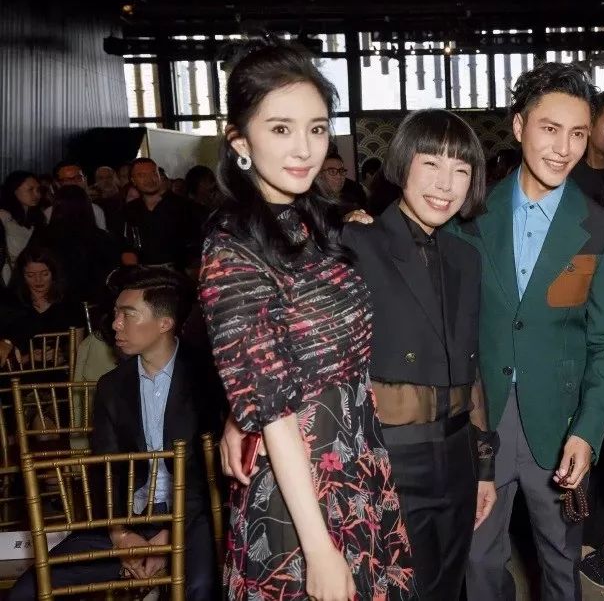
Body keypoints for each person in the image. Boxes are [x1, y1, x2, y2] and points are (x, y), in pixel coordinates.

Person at [199, 40, 415, 600]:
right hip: (299, 494)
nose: (304, 148)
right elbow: (273, 410)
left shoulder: (312, 223)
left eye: (316, 128)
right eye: (280, 128)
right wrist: (318, 550)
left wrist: (236, 410)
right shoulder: (231, 248)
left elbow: (274, 352)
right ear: (239, 141)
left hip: (357, 462)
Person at [454, 62, 604, 601]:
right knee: (478, 562)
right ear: (518, 126)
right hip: (479, 419)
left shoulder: (599, 226)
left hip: (558, 427)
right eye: (550, 129)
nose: (563, 148)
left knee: (560, 562)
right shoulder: (469, 211)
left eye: (577, 133)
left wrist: (588, 432)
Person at [339, 109, 495, 599]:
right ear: (402, 164)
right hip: (389, 459)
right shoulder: (354, 244)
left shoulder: (466, 257)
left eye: (461, 170)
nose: (445, 184)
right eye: (431, 164)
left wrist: (484, 468)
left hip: (457, 457)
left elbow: (471, 369)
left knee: (448, 587)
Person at [7, 266, 223, 601]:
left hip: (193, 518)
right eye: (116, 313)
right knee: (26, 591)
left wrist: (170, 536)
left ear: (164, 323)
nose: (115, 324)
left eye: (128, 314)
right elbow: (102, 469)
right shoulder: (112, 386)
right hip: (129, 518)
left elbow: (211, 473)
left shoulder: (206, 377)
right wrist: (120, 535)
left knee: (200, 590)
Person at [30, 185, 125, 303]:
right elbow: (113, 274)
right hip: (96, 302)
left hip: (56, 301)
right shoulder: (102, 238)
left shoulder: (43, 237)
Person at [123, 158, 203, 271]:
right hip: (142, 274)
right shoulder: (129, 210)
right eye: (142, 175)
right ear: (133, 180)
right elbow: (126, 247)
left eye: (154, 173)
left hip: (178, 274)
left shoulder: (185, 207)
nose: (149, 179)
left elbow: (196, 245)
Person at [4, 245, 85, 348]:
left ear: (54, 273)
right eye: (30, 275)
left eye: (45, 274)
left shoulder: (70, 305)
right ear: (22, 277)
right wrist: (29, 356)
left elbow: (77, 349)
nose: (38, 280)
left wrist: (60, 355)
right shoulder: (11, 304)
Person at [0, 171, 45, 283]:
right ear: (14, 190)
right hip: (9, 277)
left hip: (31, 277)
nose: (37, 195)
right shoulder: (3, 217)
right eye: (30, 189)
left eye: (38, 190)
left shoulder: (38, 218)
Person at [45, 161, 108, 229]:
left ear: (85, 180)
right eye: (67, 180)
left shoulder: (97, 211)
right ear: (57, 184)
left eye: (78, 178)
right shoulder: (48, 214)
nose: (74, 183)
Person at [316, 147, 368, 211]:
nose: (339, 176)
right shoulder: (311, 202)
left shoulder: (355, 193)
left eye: (341, 171)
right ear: (319, 175)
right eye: (332, 171)